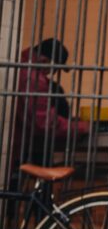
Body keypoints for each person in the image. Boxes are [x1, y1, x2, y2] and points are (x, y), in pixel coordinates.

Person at [12, 38, 89, 171]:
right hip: (21, 147)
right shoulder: (33, 79)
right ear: (45, 61)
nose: (51, 74)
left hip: (17, 144)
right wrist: (79, 127)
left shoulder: (20, 68)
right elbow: (46, 121)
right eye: (54, 70)